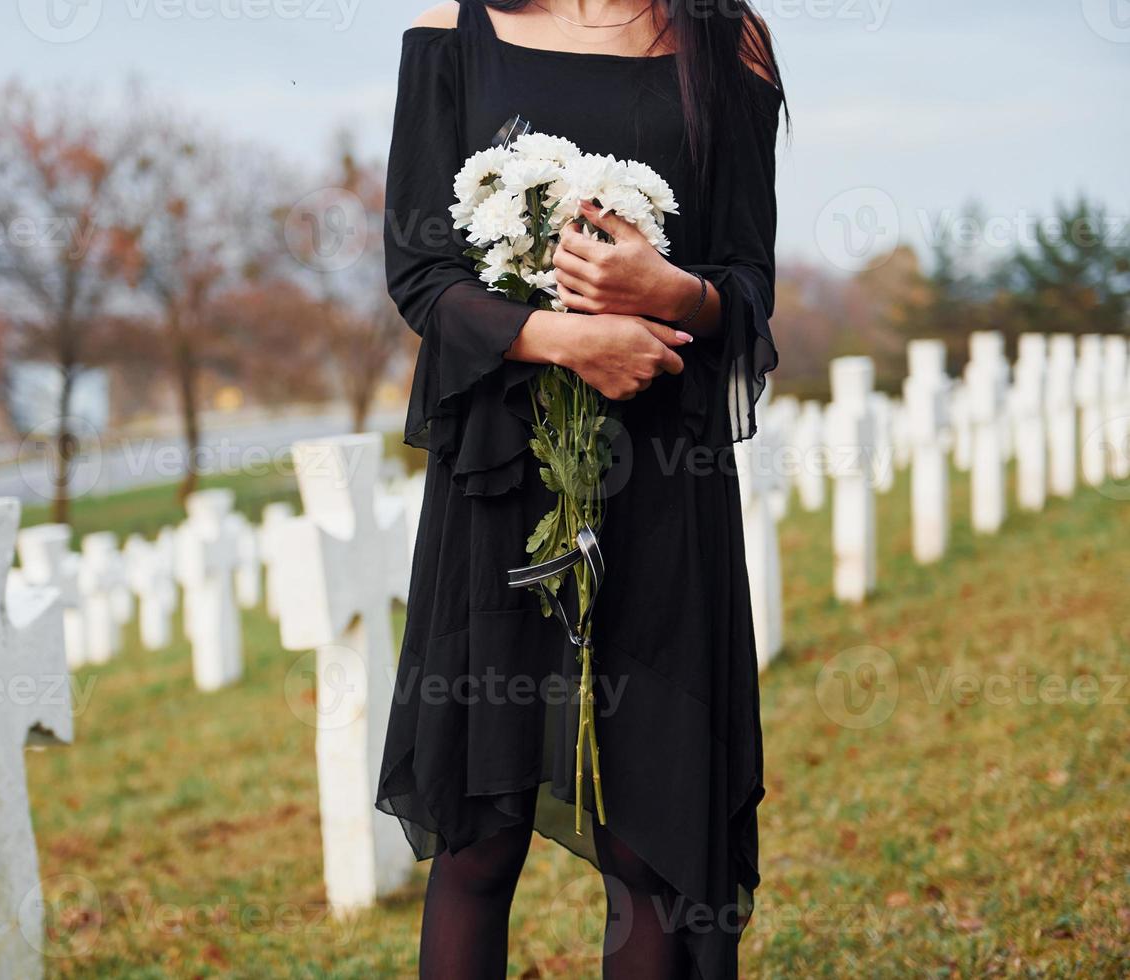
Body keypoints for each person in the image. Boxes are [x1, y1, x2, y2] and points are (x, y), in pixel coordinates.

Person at [378, 2, 786, 977]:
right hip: (503, 469)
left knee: (652, 844)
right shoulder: (455, 30)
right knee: (478, 841)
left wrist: (665, 289)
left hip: (664, 470)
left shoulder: (727, 37)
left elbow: (747, 279)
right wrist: (564, 338)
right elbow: (421, 270)